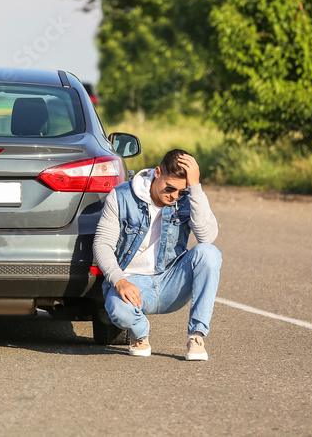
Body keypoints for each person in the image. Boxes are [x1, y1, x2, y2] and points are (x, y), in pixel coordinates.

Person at [92, 149, 221, 360]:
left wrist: (196, 188)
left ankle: (196, 337)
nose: (174, 196)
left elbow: (207, 237)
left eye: (181, 191)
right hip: (132, 285)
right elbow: (102, 244)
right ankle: (139, 332)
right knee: (117, 310)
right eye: (170, 188)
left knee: (209, 253)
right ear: (157, 173)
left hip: (171, 281)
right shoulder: (122, 196)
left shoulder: (187, 198)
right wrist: (119, 281)